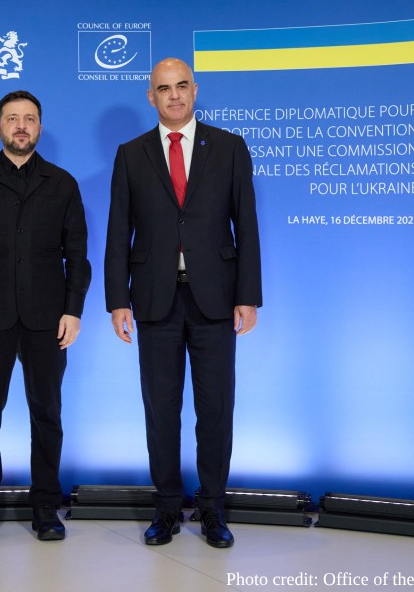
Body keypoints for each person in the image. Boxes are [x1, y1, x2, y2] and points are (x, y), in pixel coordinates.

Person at [103, 57, 262, 548]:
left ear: (196, 90)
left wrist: (248, 296)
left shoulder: (230, 147)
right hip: (155, 300)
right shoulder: (131, 154)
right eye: (163, 88)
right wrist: (117, 299)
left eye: (182, 86)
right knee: (161, 409)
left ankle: (213, 511)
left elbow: (247, 225)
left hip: (215, 299)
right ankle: (167, 509)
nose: (174, 95)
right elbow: (117, 232)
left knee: (215, 408)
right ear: (150, 97)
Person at [0, 90, 91, 542]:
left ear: (40, 128)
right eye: (12, 118)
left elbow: (78, 257)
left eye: (29, 119)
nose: (21, 125)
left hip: (49, 319)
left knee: (48, 413)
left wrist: (74, 310)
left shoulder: (63, 184)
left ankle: (46, 508)